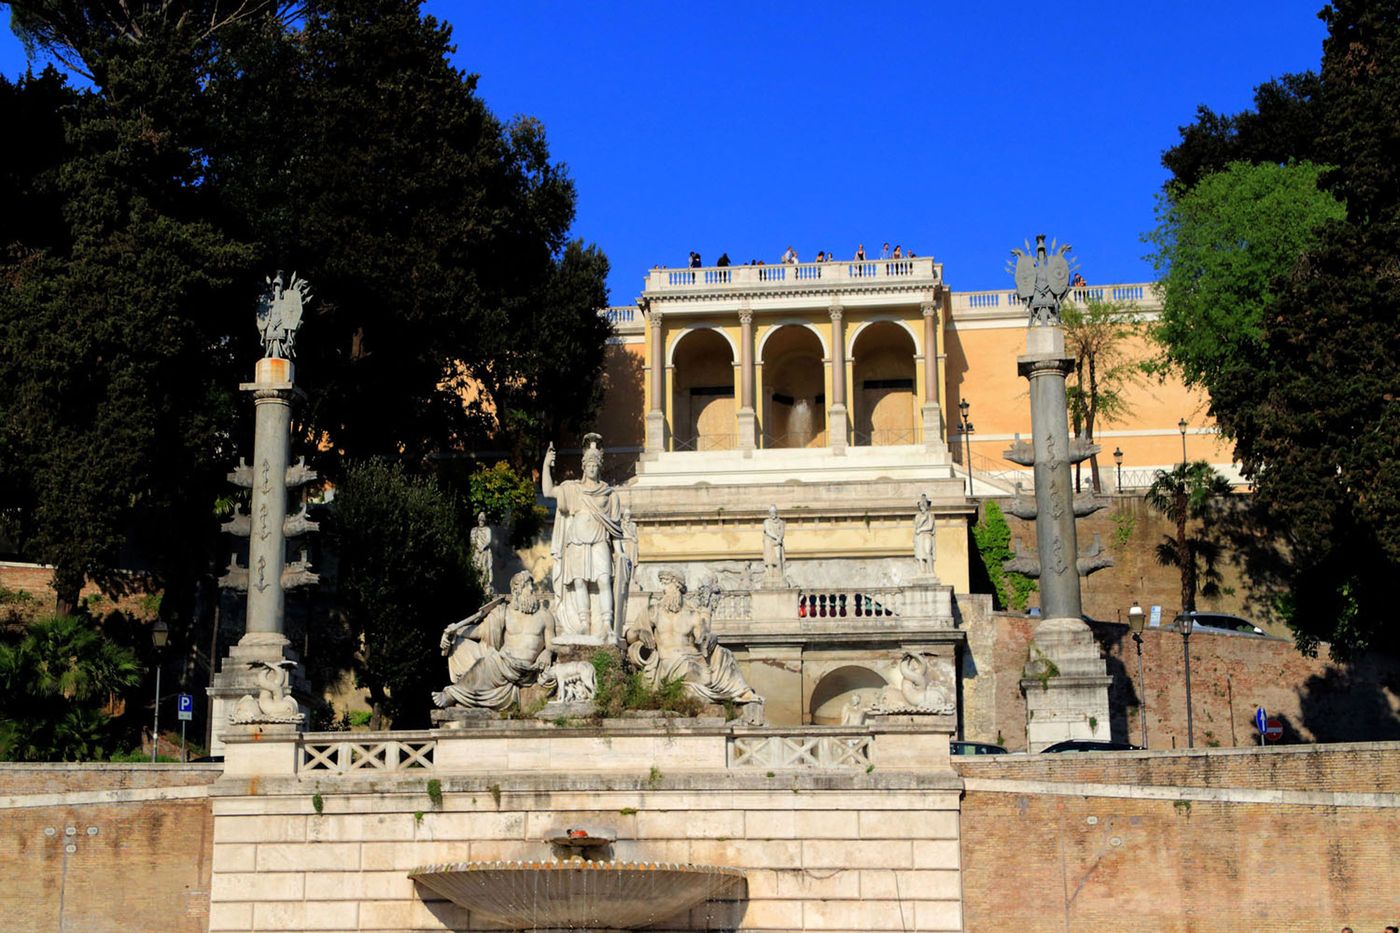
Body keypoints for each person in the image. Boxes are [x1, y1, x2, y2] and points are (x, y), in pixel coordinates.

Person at [624, 570, 759, 705]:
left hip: (691, 659)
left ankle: (742, 692)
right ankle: (716, 688)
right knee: (691, 669)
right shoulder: (653, 611)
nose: (663, 589)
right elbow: (629, 636)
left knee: (724, 653)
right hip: (669, 661)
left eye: (666, 584)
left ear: (677, 585)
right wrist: (640, 633)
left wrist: (710, 638)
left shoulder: (692, 614)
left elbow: (702, 639)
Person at [433, 572, 555, 710]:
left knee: (487, 663)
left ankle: (453, 695)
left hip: (525, 669)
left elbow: (552, 643)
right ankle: (460, 695)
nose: (532, 589)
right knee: (463, 646)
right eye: (527, 585)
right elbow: (480, 631)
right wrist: (455, 632)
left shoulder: (544, 615)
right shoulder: (504, 612)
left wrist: (548, 653)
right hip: (504, 661)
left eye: (531, 585)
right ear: (516, 590)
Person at [543, 434, 624, 640]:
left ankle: (607, 623)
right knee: (579, 583)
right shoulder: (573, 489)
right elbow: (548, 491)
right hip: (576, 542)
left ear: (599, 467)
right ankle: (583, 624)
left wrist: (620, 551)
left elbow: (615, 528)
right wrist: (546, 465)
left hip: (599, 540)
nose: (592, 469)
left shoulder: (609, 494)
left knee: (604, 580)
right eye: (589, 465)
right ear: (583, 467)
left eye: (595, 465)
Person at [470, 511, 494, 593]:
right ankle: (477, 584)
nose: (481, 522)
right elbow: (472, 540)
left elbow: (488, 540)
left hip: (484, 552)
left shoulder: (487, 529)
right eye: (480, 520)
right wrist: (477, 547)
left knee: (485, 568)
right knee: (476, 567)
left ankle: (485, 585)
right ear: (478, 521)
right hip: (476, 552)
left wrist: (482, 547)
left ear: (484, 521)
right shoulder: (474, 530)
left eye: (482, 520)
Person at [913, 494, 936, 576]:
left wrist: (921, 529)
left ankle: (931, 571)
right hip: (919, 536)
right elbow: (916, 527)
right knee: (920, 554)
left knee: (927, 551)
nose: (922, 507)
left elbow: (930, 527)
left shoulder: (930, 514)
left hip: (927, 535)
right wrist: (922, 520)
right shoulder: (918, 516)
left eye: (924, 505)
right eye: (921, 505)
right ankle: (922, 572)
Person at [762, 505, 786, 581]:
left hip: (778, 542)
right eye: (771, 512)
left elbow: (782, 531)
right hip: (769, 542)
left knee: (778, 558)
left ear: (776, 513)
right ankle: (770, 577)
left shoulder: (781, 522)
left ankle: (780, 576)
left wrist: (779, 538)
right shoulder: (766, 522)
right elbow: (768, 531)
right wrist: (776, 537)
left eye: (774, 512)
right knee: (769, 560)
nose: (772, 514)